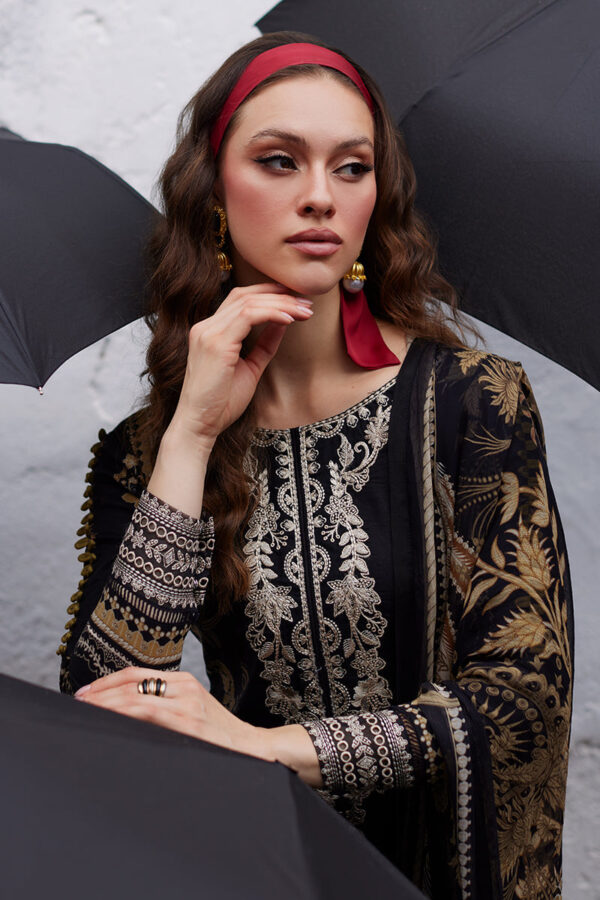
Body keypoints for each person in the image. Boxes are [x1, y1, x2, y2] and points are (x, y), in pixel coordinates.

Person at [57, 31, 573, 899]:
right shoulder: (142, 452)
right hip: (255, 870)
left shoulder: (471, 401)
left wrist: (266, 748)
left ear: (377, 196)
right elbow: (103, 701)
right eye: (278, 160)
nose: (320, 197)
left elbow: (524, 694)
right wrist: (191, 436)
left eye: (351, 167)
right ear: (213, 192)